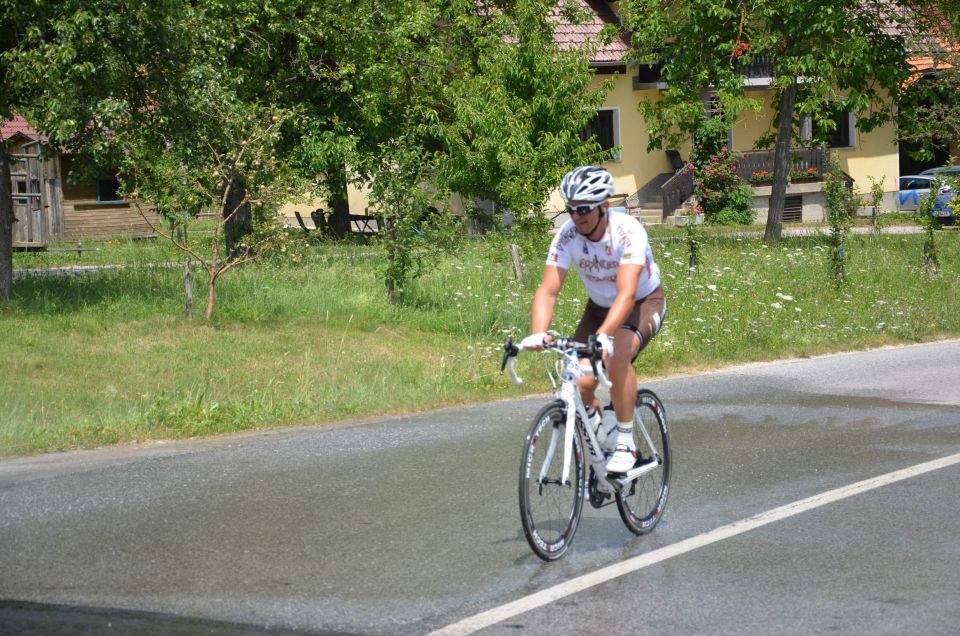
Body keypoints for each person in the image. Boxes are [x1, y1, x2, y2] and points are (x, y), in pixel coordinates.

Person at [521, 166, 666, 473]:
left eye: (584, 208)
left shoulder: (627, 232)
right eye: (571, 208)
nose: (576, 216)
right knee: (580, 378)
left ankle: (625, 441)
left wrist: (605, 336)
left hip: (641, 302)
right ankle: (602, 434)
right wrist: (538, 333)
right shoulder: (568, 235)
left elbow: (626, 294)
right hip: (599, 308)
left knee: (617, 353)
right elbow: (548, 290)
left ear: (604, 205)